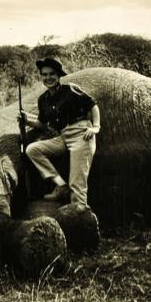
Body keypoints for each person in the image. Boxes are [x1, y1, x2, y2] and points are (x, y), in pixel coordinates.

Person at [20, 58, 100, 206]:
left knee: (77, 185)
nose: (48, 77)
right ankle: (61, 186)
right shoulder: (43, 99)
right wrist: (27, 120)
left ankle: (80, 214)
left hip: (81, 134)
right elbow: (41, 123)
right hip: (63, 136)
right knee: (32, 150)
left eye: (52, 74)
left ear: (58, 76)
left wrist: (95, 127)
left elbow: (92, 105)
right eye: (44, 74)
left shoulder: (70, 89)